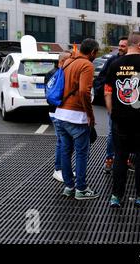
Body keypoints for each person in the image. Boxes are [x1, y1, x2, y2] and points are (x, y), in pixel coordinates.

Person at [105, 31, 140, 208]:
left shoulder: (114, 64)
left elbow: (107, 92)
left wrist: (112, 113)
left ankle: (116, 197)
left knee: (120, 157)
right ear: (139, 45)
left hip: (120, 119)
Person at [54, 39, 100, 200]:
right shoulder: (87, 65)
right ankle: (81, 189)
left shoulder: (67, 62)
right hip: (76, 116)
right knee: (81, 153)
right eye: (97, 52)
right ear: (93, 52)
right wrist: (90, 115)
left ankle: (69, 187)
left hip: (60, 114)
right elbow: (84, 92)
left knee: (65, 152)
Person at [98, 36, 129, 174]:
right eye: (119, 45)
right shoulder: (113, 60)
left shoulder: (134, 61)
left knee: (128, 133)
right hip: (115, 103)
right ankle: (109, 159)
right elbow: (102, 78)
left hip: (130, 104)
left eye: (123, 46)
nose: (120, 48)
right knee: (112, 132)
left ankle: (124, 158)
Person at [45, 51, 72, 182]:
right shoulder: (58, 73)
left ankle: (62, 168)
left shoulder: (52, 72)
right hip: (57, 111)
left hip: (55, 110)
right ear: (62, 61)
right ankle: (58, 169)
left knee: (63, 141)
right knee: (62, 141)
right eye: (69, 60)